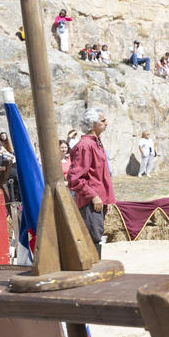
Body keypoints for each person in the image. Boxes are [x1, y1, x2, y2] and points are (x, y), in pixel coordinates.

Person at [66, 108, 114, 257]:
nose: (106, 123)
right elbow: (74, 178)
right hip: (90, 202)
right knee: (92, 238)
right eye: (102, 120)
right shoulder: (85, 146)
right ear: (93, 124)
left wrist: (109, 199)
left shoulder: (97, 143)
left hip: (99, 200)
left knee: (96, 236)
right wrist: (93, 196)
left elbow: (102, 175)